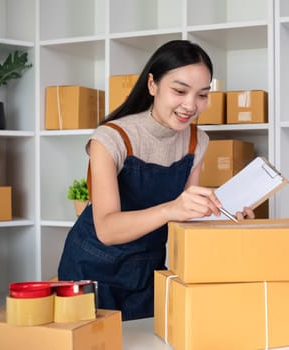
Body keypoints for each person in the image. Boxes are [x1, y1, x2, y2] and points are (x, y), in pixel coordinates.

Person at [57, 40, 254, 321]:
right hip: (91, 271)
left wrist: (227, 220)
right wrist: (171, 208)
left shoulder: (196, 141)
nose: (191, 105)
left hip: (146, 273)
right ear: (152, 85)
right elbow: (107, 229)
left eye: (202, 95)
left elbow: (186, 219)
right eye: (179, 91)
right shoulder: (111, 138)